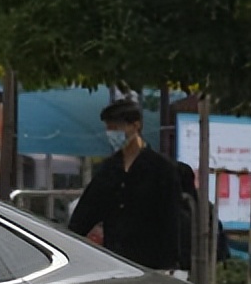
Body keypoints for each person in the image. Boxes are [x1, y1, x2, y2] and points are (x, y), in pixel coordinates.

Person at [69, 97, 181, 271]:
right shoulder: (109, 169)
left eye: (116, 127)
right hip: (115, 259)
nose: (111, 133)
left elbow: (171, 220)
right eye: (108, 128)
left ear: (136, 126)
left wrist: (170, 264)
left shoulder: (162, 169)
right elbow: (86, 212)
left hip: (151, 263)